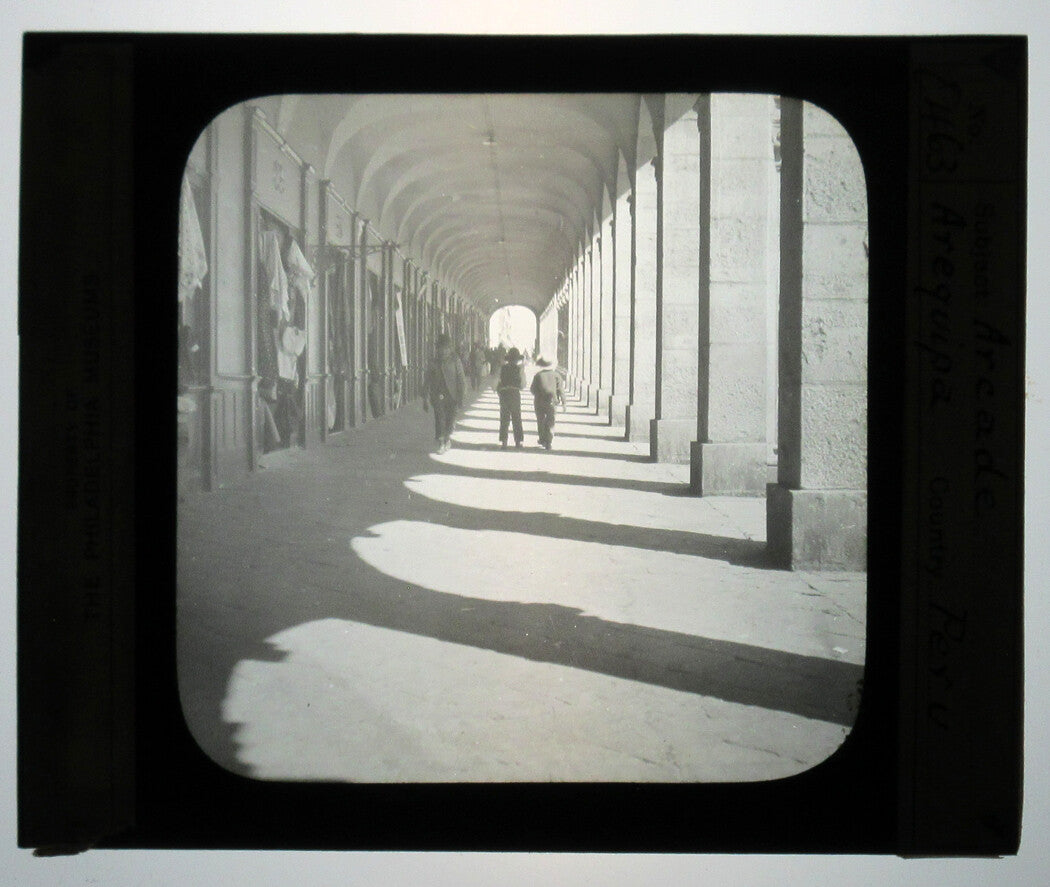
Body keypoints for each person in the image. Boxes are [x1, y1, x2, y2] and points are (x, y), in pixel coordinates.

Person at [424, 333, 466, 454]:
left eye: (446, 348)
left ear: (450, 349)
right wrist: (425, 397)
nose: (443, 351)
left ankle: (447, 439)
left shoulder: (455, 360)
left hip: (452, 395)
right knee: (440, 418)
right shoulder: (433, 362)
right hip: (437, 395)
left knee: (450, 419)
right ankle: (441, 443)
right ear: (437, 349)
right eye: (441, 348)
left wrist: (461, 396)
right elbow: (427, 379)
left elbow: (461, 379)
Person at [529, 355, 565, 450]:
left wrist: (538, 394)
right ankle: (549, 441)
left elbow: (532, 389)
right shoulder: (557, 375)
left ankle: (542, 439)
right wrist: (564, 403)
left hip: (539, 401)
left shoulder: (538, 375)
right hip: (552, 401)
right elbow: (560, 390)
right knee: (551, 420)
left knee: (540, 420)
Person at [496, 346, 526, 448]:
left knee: (504, 418)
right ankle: (518, 441)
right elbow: (523, 385)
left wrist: (499, 390)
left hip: (504, 394)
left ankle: (504, 441)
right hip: (514, 394)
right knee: (516, 417)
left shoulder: (502, 368)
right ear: (517, 359)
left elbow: (497, 382)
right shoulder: (519, 369)